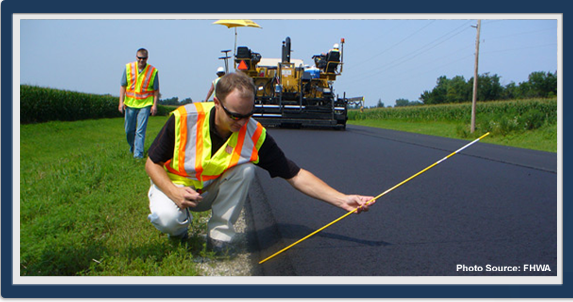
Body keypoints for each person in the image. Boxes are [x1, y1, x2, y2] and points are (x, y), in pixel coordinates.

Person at [145, 72, 374, 255]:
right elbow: (151, 163)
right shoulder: (185, 118)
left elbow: (294, 174)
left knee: (246, 170)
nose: (243, 122)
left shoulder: (254, 133)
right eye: (235, 115)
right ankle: (179, 230)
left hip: (209, 192)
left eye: (249, 114)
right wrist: (173, 192)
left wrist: (342, 199)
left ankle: (219, 236)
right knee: (167, 220)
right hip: (174, 188)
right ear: (217, 103)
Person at [118, 48, 159, 159]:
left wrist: (154, 105)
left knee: (140, 131)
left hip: (145, 104)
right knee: (129, 130)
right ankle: (133, 147)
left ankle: (138, 155)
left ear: (147, 58)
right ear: (136, 57)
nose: (141, 60)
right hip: (130, 104)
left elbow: (156, 90)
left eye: (143, 58)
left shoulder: (153, 71)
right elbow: (123, 86)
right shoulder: (128, 68)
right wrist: (121, 102)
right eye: (139, 58)